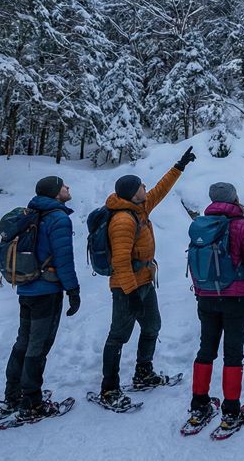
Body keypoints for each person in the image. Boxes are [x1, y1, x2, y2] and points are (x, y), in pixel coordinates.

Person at [96, 147, 197, 407]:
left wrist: (180, 166)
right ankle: (109, 389)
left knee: (152, 327)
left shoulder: (139, 208)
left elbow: (159, 190)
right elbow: (119, 261)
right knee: (118, 336)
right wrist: (130, 294)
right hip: (126, 287)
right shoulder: (123, 220)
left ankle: (143, 373)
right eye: (141, 186)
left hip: (145, 281)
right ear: (133, 193)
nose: (145, 187)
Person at [185, 182, 244, 434]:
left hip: (206, 297)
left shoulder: (201, 225)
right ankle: (231, 411)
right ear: (234, 198)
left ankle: (199, 405)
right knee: (233, 353)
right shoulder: (242, 225)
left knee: (205, 349)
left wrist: (201, 292)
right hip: (236, 299)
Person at [1, 176, 81, 420]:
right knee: (38, 346)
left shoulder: (31, 213)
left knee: (23, 343)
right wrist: (73, 290)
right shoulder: (57, 218)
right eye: (63, 186)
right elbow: (63, 259)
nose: (68, 188)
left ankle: (13, 395)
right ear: (56, 193)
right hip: (46, 292)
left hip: (26, 288)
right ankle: (32, 402)